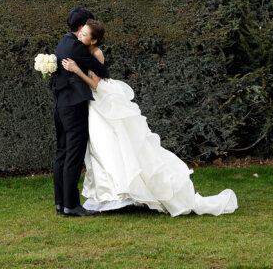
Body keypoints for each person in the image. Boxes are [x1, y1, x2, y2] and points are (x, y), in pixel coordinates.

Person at [62, 21, 238, 217]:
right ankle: (108, 195)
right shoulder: (82, 49)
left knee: (112, 146)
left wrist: (76, 70)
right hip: (94, 106)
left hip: (101, 102)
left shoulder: (97, 54)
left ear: (93, 39)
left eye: (85, 34)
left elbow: (95, 84)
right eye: (81, 32)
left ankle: (126, 192)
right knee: (102, 149)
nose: (80, 36)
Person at [51, 7, 108, 217]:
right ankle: (71, 205)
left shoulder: (63, 42)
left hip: (60, 105)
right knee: (73, 156)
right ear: (82, 26)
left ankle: (60, 203)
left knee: (62, 153)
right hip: (74, 108)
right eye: (88, 24)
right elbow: (103, 72)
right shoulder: (79, 49)